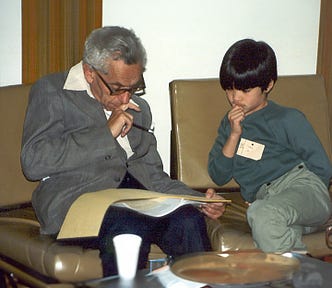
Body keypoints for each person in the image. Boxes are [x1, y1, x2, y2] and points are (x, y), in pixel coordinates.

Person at [21, 26, 225, 276]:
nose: (126, 97)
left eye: (134, 87)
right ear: (89, 72)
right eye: (117, 88)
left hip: (135, 198)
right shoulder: (53, 92)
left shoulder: (140, 108)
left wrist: (197, 200)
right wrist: (106, 133)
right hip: (76, 199)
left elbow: (153, 175)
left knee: (188, 221)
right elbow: (33, 161)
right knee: (129, 227)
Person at [208, 39, 332, 253]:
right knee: (266, 224)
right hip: (269, 204)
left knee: (261, 215)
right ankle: (303, 275)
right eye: (230, 89)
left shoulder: (287, 118)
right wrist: (233, 135)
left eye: (245, 90)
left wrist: (306, 201)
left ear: (268, 85)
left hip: (303, 188)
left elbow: (321, 166)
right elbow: (219, 175)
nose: (235, 98)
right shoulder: (228, 124)